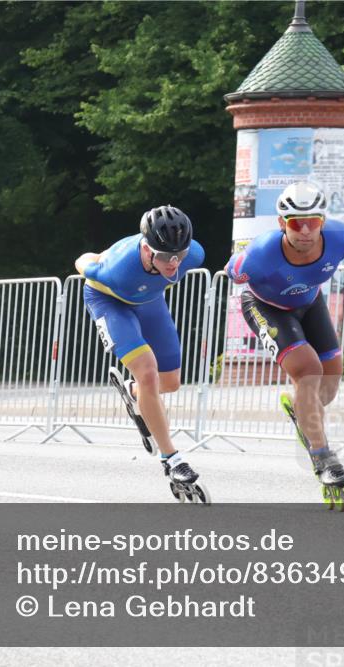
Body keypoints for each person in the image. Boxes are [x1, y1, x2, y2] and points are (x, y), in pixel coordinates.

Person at [225, 182, 344, 509]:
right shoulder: (262, 253)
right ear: (283, 223)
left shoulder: (341, 239)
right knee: (308, 371)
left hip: (310, 304)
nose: (307, 230)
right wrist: (242, 257)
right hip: (266, 307)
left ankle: (303, 412)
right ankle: (323, 459)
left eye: (314, 221)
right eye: (298, 223)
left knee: (329, 382)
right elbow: (232, 271)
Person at [74, 205, 208, 501]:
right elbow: (83, 261)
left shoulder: (193, 253)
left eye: (179, 256)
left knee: (170, 383)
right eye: (165, 257)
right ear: (147, 250)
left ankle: (137, 394)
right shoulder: (118, 268)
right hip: (108, 300)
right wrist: (92, 260)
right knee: (148, 372)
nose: (174, 263)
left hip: (148, 300)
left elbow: (176, 259)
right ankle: (172, 459)